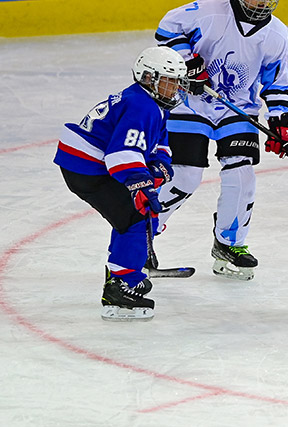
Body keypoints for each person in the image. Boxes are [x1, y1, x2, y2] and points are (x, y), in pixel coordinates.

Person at [153, 0, 288, 280]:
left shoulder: (277, 34)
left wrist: (282, 121)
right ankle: (143, 231)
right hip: (190, 104)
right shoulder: (208, 12)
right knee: (185, 176)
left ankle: (229, 244)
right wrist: (187, 60)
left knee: (242, 174)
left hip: (238, 109)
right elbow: (167, 30)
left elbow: (280, 82)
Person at [54, 47, 188, 320]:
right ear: (148, 77)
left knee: (136, 216)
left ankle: (127, 271)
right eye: (168, 80)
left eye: (177, 81)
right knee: (137, 216)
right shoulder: (143, 106)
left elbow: (157, 144)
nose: (175, 88)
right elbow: (121, 154)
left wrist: (159, 165)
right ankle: (121, 285)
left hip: (88, 163)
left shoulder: (152, 103)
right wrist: (139, 184)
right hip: (88, 168)